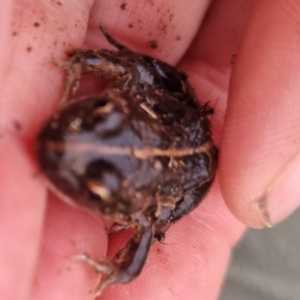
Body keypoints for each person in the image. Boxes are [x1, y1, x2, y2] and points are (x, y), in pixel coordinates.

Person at [0, 0, 299, 299]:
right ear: (114, 105)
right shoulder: (132, 95)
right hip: (182, 121)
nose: (61, 144)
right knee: (137, 76)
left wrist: (122, 268)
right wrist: (85, 61)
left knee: (158, 213)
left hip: (189, 172)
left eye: (96, 190)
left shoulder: (140, 213)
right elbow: (129, 76)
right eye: (101, 113)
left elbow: (137, 250)